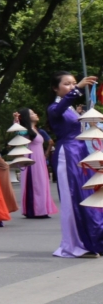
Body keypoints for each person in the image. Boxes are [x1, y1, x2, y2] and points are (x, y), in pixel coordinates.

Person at [47, 72, 103, 257]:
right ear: (56, 88)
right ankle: (75, 244)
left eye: (73, 83)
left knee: (89, 196)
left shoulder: (71, 109)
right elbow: (59, 108)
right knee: (74, 198)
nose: (71, 86)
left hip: (81, 153)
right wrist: (78, 89)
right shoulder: (55, 107)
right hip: (68, 154)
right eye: (67, 84)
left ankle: (93, 241)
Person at [13, 109, 57, 220]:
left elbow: (49, 142)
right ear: (27, 117)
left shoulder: (37, 130)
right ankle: (33, 210)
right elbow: (17, 132)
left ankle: (42, 209)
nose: (36, 114)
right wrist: (16, 121)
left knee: (42, 184)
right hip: (31, 160)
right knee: (35, 184)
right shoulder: (25, 131)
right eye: (32, 113)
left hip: (40, 160)